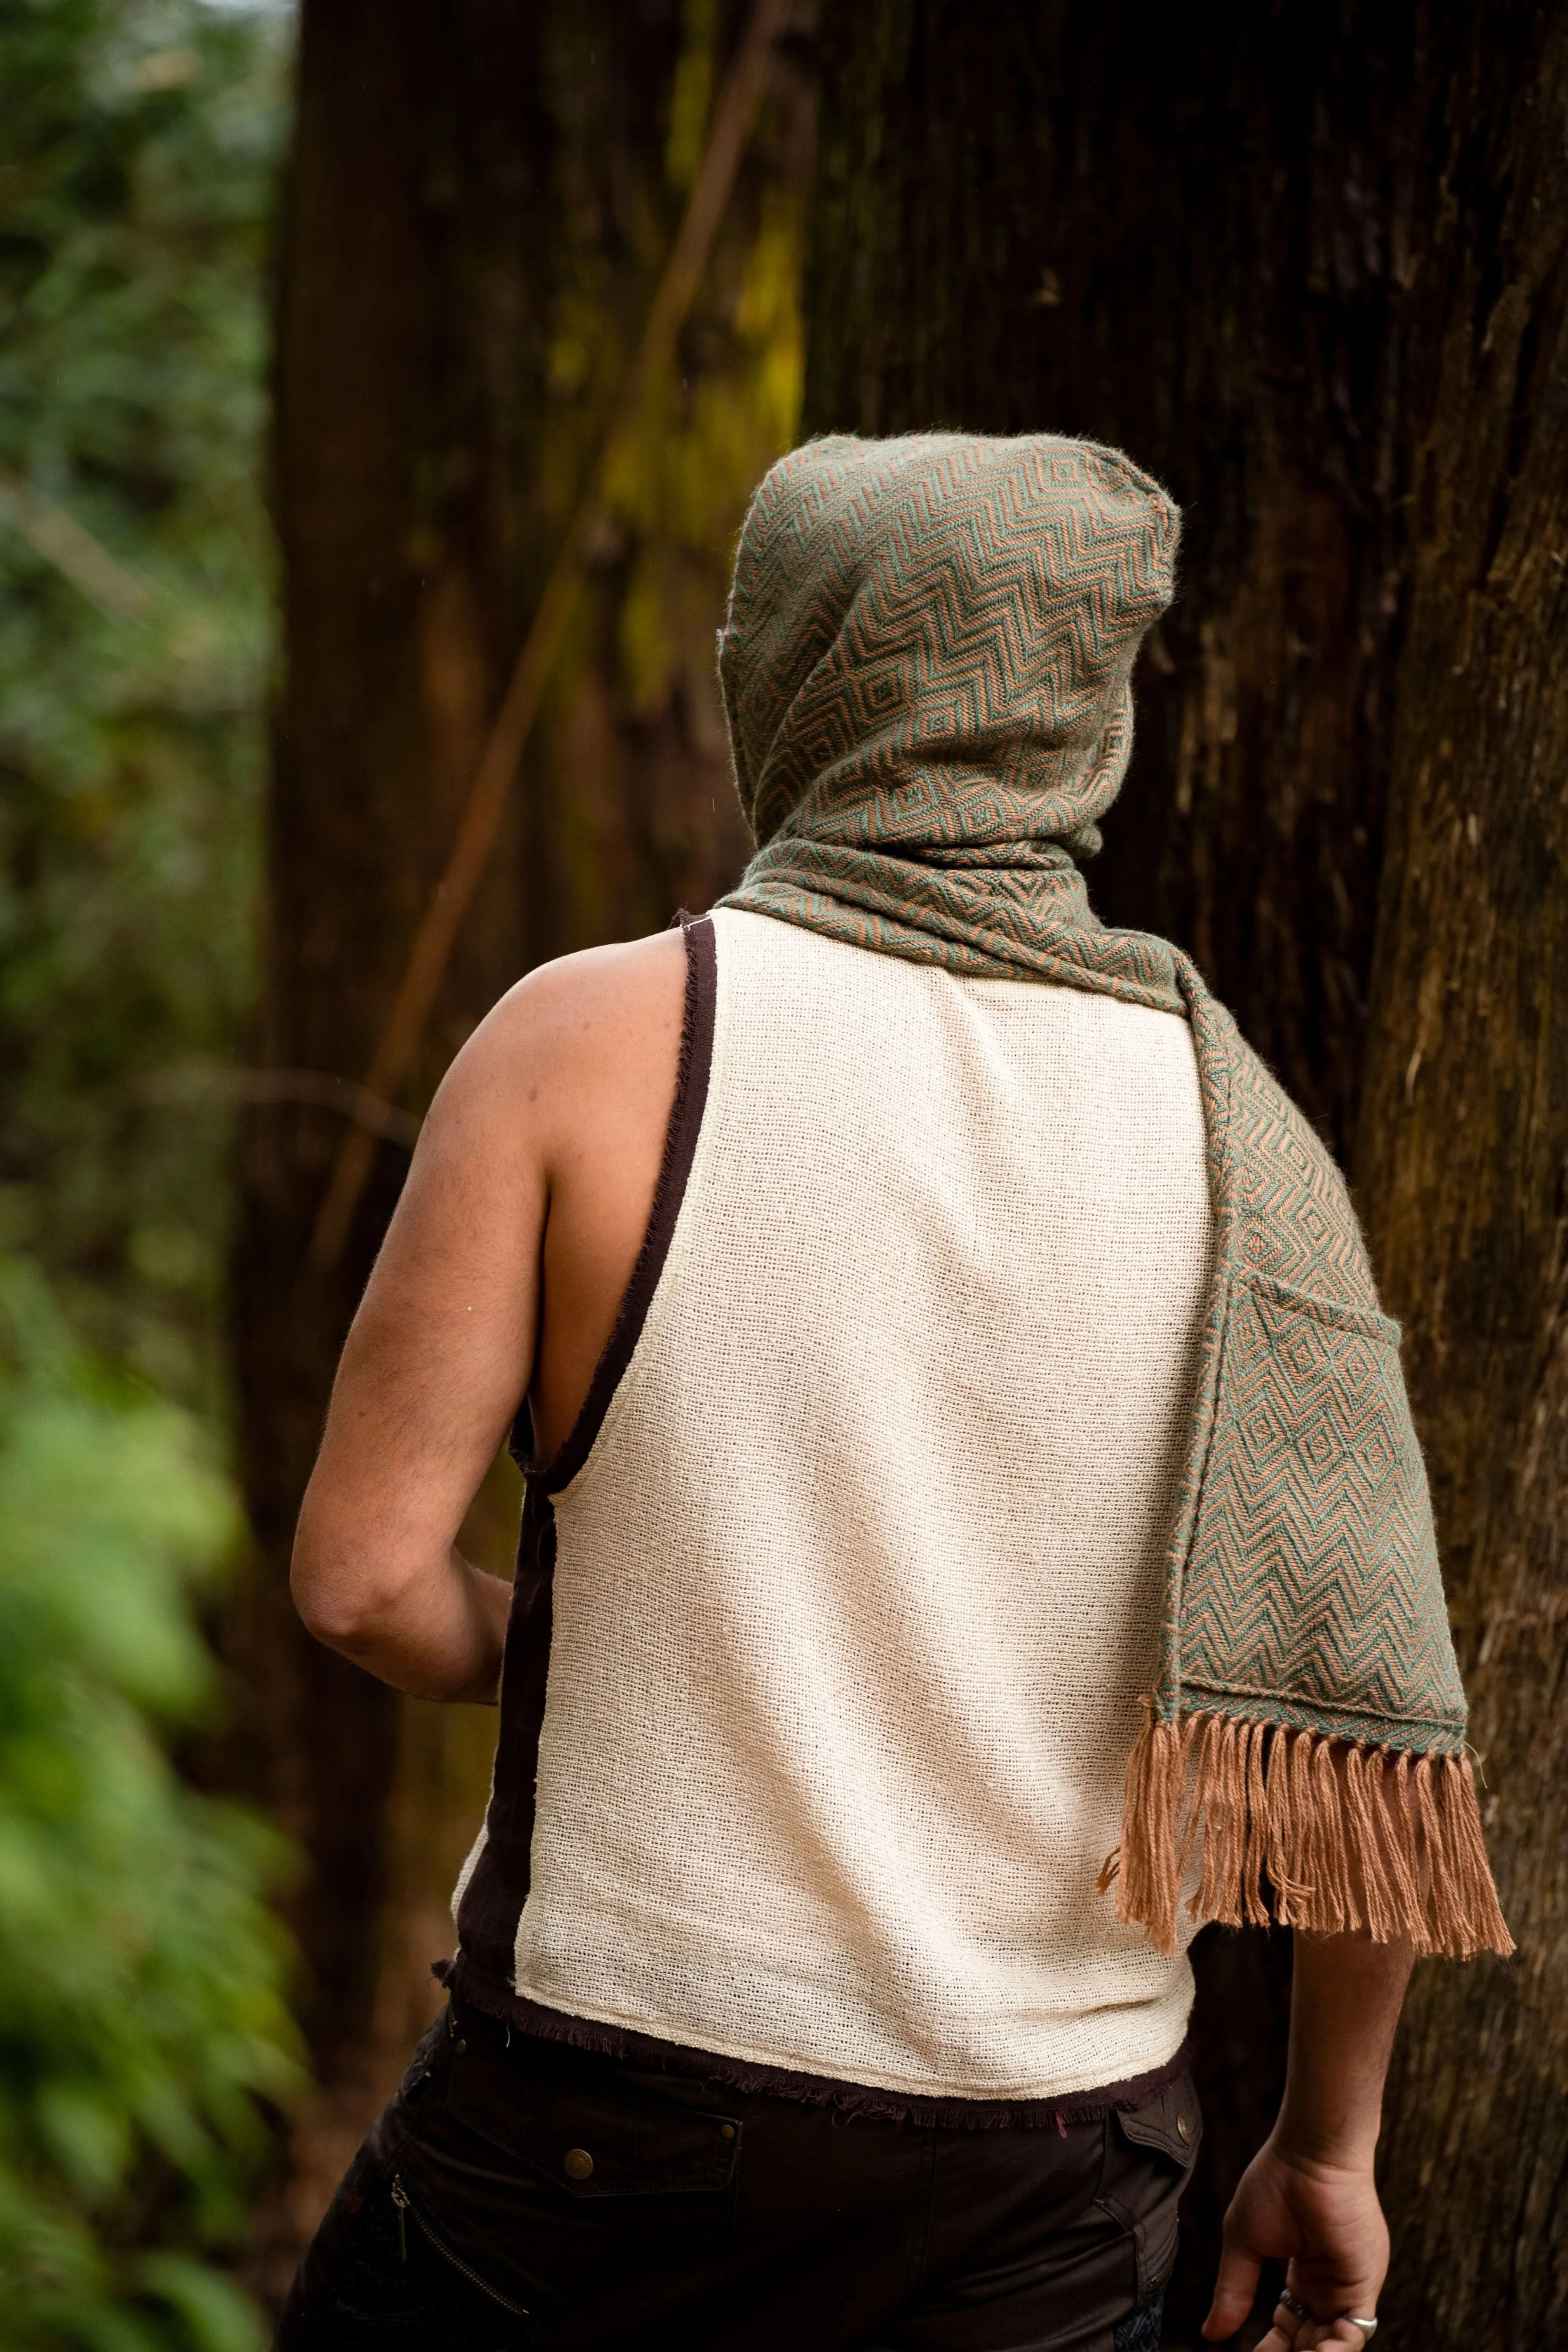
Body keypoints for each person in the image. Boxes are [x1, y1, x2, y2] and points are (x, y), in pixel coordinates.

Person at [277, 433, 1511, 2352]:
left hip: (603, 2130)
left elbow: (361, 1579)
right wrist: (1330, 2147)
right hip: (1049, 2176)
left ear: (787, 677)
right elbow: (1362, 1732)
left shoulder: (588, 1042)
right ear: (1076, 708)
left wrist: (608, 1659)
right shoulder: (1232, 1131)